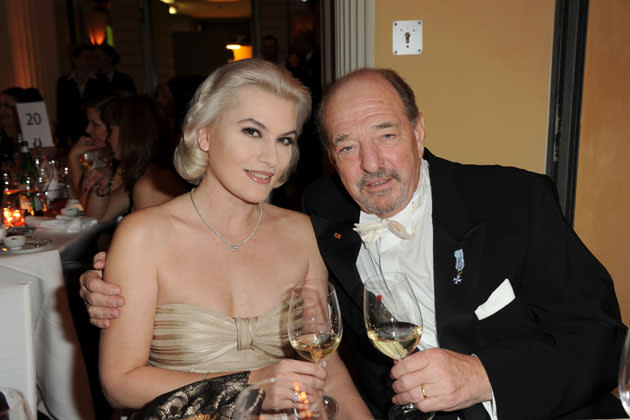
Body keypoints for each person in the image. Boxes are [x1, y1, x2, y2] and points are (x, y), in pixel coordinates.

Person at [80, 68, 626, 419]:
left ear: (418, 132)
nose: (370, 163)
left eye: (386, 135)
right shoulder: (323, 215)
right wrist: (106, 276)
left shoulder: (513, 200)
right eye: (346, 145)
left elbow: (602, 337)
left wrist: (481, 376)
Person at [91, 59, 371, 418]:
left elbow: (324, 366)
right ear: (204, 135)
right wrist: (250, 387)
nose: (271, 157)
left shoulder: (301, 233)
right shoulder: (143, 236)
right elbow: (119, 384)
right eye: (252, 132)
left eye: (284, 139)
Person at [82, 94, 188, 222]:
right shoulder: (144, 171)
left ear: (129, 133)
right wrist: (102, 183)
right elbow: (97, 218)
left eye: (111, 130)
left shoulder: (149, 185)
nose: (108, 138)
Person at [56, 44, 110, 148]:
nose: (92, 61)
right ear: (75, 59)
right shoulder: (64, 82)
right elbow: (62, 111)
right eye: (87, 58)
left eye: (94, 58)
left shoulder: (101, 80)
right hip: (72, 134)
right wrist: (62, 138)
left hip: (94, 132)